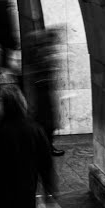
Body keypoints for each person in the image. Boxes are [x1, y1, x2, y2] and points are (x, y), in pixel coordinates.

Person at [28, 27, 66, 157]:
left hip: (43, 92)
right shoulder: (43, 53)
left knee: (45, 120)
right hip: (43, 93)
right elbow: (43, 74)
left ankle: (44, 146)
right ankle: (46, 147)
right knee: (46, 121)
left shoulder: (41, 52)